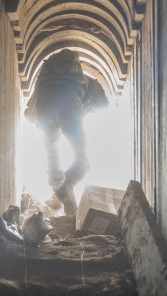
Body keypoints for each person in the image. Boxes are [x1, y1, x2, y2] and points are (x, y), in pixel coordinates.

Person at [24, 49, 108, 215]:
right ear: (75, 65)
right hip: (70, 106)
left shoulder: (42, 80)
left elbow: (29, 114)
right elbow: (103, 103)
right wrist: (85, 107)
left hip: (44, 110)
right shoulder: (84, 79)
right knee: (81, 155)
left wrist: (44, 121)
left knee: (52, 153)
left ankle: (57, 195)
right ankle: (68, 185)